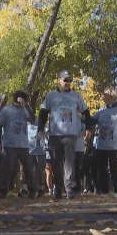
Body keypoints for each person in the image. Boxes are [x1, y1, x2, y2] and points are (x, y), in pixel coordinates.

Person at [37, 70, 91, 199]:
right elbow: (43, 114)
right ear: (59, 80)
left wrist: (88, 128)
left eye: (70, 81)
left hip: (70, 134)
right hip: (54, 134)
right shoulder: (50, 96)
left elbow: (86, 113)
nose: (68, 83)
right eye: (65, 80)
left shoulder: (76, 96)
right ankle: (58, 188)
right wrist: (40, 129)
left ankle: (69, 189)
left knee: (69, 163)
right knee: (56, 163)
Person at [87, 87, 117, 198]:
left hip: (114, 144)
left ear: (111, 96)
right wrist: (84, 117)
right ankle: (104, 191)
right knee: (101, 167)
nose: (103, 96)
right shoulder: (102, 110)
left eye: (105, 94)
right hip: (101, 144)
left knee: (114, 166)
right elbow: (92, 120)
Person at [0, 91, 37, 198]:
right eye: (22, 100)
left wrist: (25, 106)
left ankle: (32, 190)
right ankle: (4, 190)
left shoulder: (25, 109)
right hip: (9, 145)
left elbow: (32, 119)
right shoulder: (6, 110)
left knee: (28, 168)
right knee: (7, 168)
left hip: (23, 145)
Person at [28, 119, 47, 198]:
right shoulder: (26, 124)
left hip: (41, 151)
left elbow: (46, 134)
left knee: (41, 170)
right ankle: (28, 189)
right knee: (28, 170)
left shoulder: (41, 123)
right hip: (29, 151)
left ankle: (41, 189)